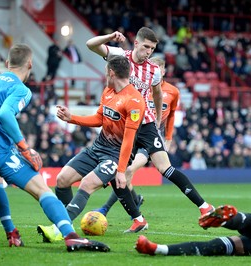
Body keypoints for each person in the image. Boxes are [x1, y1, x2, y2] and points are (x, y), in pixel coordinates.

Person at [0, 43, 109, 252]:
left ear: (7, 63)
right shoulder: (20, 89)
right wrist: (24, 148)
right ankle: (71, 237)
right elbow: (5, 114)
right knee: (42, 190)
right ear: (30, 64)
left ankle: (12, 233)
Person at [84, 26, 213, 217]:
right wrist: (111, 36)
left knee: (165, 168)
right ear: (136, 43)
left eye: (152, 49)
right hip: (122, 126)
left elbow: (157, 94)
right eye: (146, 47)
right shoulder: (120, 56)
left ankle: (204, 207)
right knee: (121, 173)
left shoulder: (154, 70)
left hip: (145, 125)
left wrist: (158, 121)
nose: (148, 52)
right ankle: (137, 218)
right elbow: (90, 44)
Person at [37, 55, 146, 242]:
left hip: (116, 155)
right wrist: (72, 118)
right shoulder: (108, 92)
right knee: (62, 179)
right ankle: (138, 219)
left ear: (111, 72)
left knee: (87, 183)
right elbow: (98, 119)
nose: (105, 76)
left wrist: (121, 171)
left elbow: (128, 140)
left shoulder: (135, 101)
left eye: (106, 73)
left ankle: (59, 228)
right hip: (97, 148)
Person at [94, 56, 180, 216]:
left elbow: (172, 115)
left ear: (163, 71)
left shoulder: (172, 92)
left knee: (128, 170)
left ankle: (106, 209)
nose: (157, 71)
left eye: (160, 68)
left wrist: (167, 138)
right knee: (126, 171)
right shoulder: (143, 90)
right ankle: (135, 199)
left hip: (149, 136)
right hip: (136, 134)